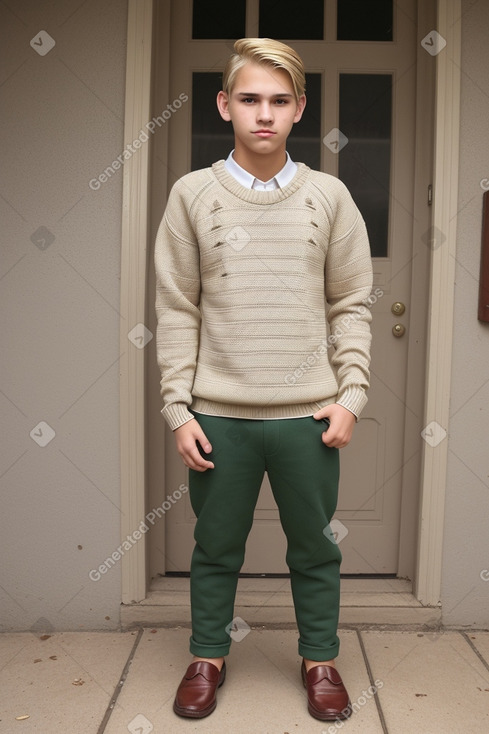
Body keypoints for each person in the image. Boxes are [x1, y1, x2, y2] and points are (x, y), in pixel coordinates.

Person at [154, 37, 373, 722]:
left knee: (313, 547)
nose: (263, 114)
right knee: (215, 546)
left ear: (298, 109)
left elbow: (350, 303)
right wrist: (178, 409)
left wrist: (351, 396)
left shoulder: (329, 197)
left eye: (279, 101)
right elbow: (175, 307)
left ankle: (320, 659)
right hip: (218, 416)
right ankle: (206, 656)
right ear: (224, 105)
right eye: (249, 98)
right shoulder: (190, 195)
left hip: (307, 418)